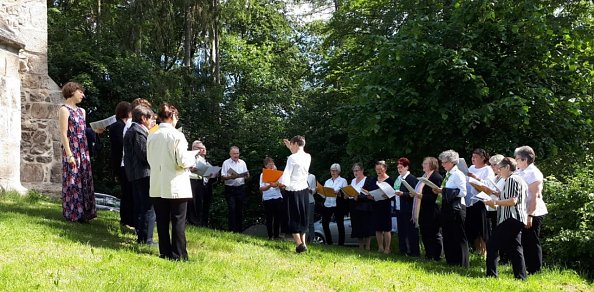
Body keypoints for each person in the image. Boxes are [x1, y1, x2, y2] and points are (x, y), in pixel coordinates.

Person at [147, 103, 196, 260]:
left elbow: (149, 159)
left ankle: (165, 252)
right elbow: (182, 160)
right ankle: (179, 254)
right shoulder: (177, 135)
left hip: (157, 183)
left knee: (161, 221)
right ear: (173, 116)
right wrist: (192, 158)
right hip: (175, 183)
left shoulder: (152, 135)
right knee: (178, 220)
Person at [58, 81, 96, 222]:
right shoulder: (64, 110)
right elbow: (63, 133)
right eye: (80, 92)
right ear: (72, 91)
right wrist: (69, 155)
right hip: (72, 149)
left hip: (83, 149)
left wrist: (95, 131)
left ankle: (85, 214)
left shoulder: (82, 111)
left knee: (84, 178)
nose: (83, 95)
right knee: (73, 179)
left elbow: (83, 131)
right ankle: (73, 214)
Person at [485, 157, 528, 280]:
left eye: (500, 168)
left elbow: (513, 200)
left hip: (511, 218)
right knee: (515, 248)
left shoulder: (511, 179)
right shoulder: (518, 179)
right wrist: (498, 196)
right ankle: (521, 277)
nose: (498, 171)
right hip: (517, 218)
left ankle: (491, 275)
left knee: (492, 244)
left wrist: (495, 203)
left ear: (508, 167)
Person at [123, 105, 156, 245]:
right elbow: (144, 154)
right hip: (143, 174)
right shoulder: (137, 131)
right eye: (151, 118)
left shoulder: (135, 130)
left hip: (137, 174)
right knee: (148, 207)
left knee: (143, 206)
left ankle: (143, 237)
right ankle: (146, 239)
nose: (152, 122)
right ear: (143, 118)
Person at [433, 150, 469, 267]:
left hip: (457, 208)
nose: (442, 165)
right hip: (447, 207)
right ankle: (451, 260)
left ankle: (462, 262)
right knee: (448, 234)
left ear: (452, 162)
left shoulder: (458, 174)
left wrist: (442, 190)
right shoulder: (448, 175)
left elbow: (463, 192)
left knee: (458, 235)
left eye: (444, 162)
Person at [515, 145, 548, 274]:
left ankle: (535, 269)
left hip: (534, 211)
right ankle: (527, 267)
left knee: (532, 241)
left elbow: (534, 196)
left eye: (517, 159)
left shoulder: (534, 173)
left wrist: (530, 215)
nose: (516, 161)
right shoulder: (520, 171)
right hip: (523, 210)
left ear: (524, 160)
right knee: (525, 240)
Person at [278, 135, 311, 253]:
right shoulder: (308, 156)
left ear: (296, 144)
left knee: (292, 217)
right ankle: (303, 243)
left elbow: (287, 174)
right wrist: (290, 147)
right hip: (303, 190)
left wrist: (280, 183)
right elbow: (297, 155)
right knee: (302, 216)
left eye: (291, 144)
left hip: (292, 190)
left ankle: (299, 244)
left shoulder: (292, 158)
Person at [109, 101, 135, 232]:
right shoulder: (117, 126)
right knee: (127, 192)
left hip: (123, 163)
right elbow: (121, 144)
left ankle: (128, 218)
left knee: (129, 192)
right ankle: (126, 219)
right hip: (121, 163)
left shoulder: (121, 125)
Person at [465, 148, 495, 257]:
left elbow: (488, 186)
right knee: (472, 228)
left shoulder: (487, 170)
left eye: (476, 157)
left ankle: (485, 253)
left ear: (483, 158)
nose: (473, 159)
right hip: (469, 201)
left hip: (480, 202)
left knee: (482, 229)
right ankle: (477, 250)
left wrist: (475, 178)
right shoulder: (471, 167)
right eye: (472, 156)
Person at [363, 161, 395, 254]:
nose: (378, 171)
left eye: (380, 169)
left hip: (386, 206)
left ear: (385, 169)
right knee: (378, 228)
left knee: (386, 228)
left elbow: (394, 194)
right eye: (377, 169)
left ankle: (387, 248)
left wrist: (389, 195)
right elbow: (366, 190)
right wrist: (368, 196)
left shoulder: (390, 180)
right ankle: (380, 247)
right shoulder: (373, 180)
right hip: (375, 205)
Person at [416, 157, 443, 261]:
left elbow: (437, 197)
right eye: (423, 163)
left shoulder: (437, 177)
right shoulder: (424, 176)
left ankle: (437, 256)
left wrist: (422, 196)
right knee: (425, 232)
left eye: (425, 163)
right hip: (423, 208)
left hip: (433, 209)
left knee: (434, 233)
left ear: (432, 165)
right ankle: (428, 254)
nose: (423, 165)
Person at [187, 140, 217, 227]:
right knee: (192, 202)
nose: (201, 150)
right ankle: (192, 221)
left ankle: (199, 222)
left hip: (200, 181)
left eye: (202, 148)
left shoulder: (201, 159)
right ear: (193, 148)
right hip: (191, 180)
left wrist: (212, 173)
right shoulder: (189, 156)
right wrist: (190, 169)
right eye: (199, 148)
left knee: (200, 203)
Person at [395, 157, 420, 256]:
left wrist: (403, 194)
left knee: (411, 231)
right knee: (401, 231)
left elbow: (414, 194)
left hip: (408, 208)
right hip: (399, 207)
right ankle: (403, 251)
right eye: (398, 168)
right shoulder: (398, 178)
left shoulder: (411, 178)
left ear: (407, 167)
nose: (399, 169)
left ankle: (414, 252)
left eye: (401, 167)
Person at [221, 146, 250, 232]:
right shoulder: (226, 163)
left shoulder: (242, 162)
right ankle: (232, 230)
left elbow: (247, 175)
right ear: (230, 154)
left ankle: (239, 230)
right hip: (230, 189)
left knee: (240, 209)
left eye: (237, 153)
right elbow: (222, 177)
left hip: (240, 188)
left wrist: (247, 175)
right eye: (234, 153)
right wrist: (230, 177)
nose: (236, 155)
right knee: (232, 208)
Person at [321, 163, 348, 245]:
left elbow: (346, 194)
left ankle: (341, 244)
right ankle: (329, 242)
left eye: (335, 170)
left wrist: (339, 193)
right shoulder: (327, 181)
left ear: (339, 171)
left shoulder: (343, 180)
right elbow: (323, 195)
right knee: (324, 223)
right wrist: (320, 191)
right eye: (332, 170)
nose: (333, 172)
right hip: (328, 203)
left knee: (340, 223)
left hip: (338, 204)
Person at [349, 163, 374, 250]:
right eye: (354, 171)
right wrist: (347, 194)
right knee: (357, 226)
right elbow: (351, 192)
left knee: (366, 226)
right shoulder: (352, 181)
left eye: (357, 170)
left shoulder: (367, 180)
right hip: (354, 207)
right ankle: (360, 246)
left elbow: (369, 194)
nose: (355, 172)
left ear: (362, 170)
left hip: (364, 206)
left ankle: (367, 246)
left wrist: (359, 197)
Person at [259, 157, 284, 240]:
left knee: (278, 217)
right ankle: (270, 235)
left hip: (277, 197)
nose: (272, 165)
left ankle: (277, 235)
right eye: (270, 164)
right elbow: (261, 188)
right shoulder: (263, 175)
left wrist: (278, 184)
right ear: (266, 165)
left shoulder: (278, 174)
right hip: (267, 199)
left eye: (272, 164)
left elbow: (283, 186)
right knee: (269, 218)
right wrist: (270, 185)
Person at [306, 173, 317, 243]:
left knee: (310, 222)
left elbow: (314, 190)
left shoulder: (312, 176)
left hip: (310, 201)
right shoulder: (298, 175)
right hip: (300, 201)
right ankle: (302, 240)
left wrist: (309, 189)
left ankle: (312, 240)